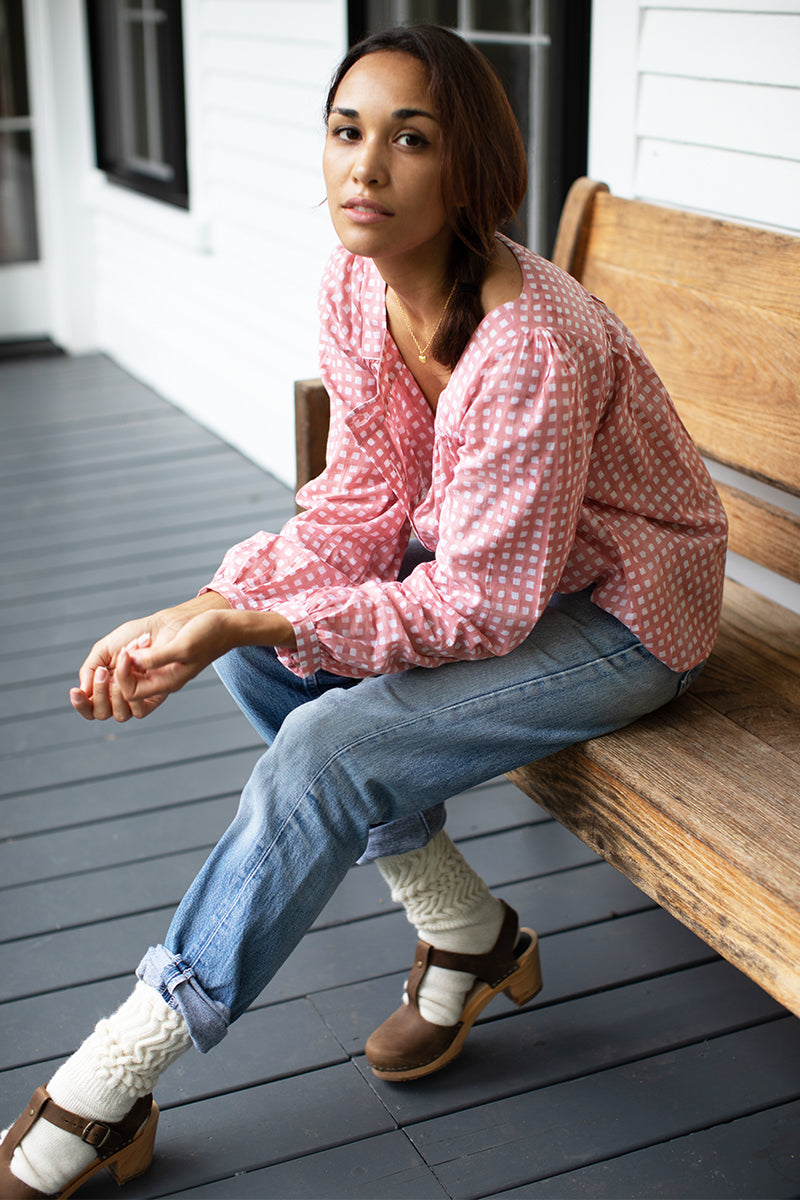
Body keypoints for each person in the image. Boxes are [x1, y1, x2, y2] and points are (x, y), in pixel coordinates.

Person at [0, 23, 727, 1199]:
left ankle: (105, 1085)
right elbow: (359, 501)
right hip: (512, 582)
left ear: (467, 169)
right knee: (265, 668)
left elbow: (482, 607)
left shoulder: (525, 343)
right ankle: (469, 935)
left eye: (409, 140)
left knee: (325, 745)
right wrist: (210, 608)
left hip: (625, 614)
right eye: (347, 133)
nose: (365, 169)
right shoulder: (357, 282)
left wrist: (247, 618)